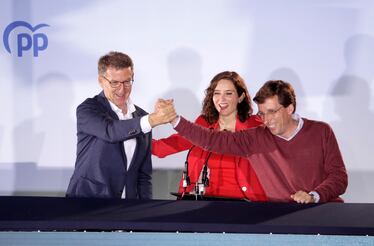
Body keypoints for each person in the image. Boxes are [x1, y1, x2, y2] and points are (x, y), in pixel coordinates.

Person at [170, 80, 348, 203]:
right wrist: (174, 119)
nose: (266, 119)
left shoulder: (321, 131)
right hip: (281, 219)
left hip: (322, 210)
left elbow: (339, 178)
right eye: (262, 113)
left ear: (290, 108)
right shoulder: (256, 137)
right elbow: (211, 140)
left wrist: (314, 196)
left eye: (272, 112)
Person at [66, 51, 176, 199]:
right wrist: (153, 119)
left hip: (127, 207)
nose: (122, 89)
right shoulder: (88, 109)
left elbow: (143, 175)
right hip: (88, 202)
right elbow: (111, 131)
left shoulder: (141, 117)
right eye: (114, 83)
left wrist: (146, 210)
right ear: (101, 80)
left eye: (127, 81)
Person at [152, 71, 267, 201]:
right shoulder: (204, 123)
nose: (221, 99)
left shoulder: (255, 125)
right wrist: (139, 127)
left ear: (240, 97)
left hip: (246, 204)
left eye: (228, 93)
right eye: (217, 93)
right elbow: (161, 148)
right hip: (203, 203)